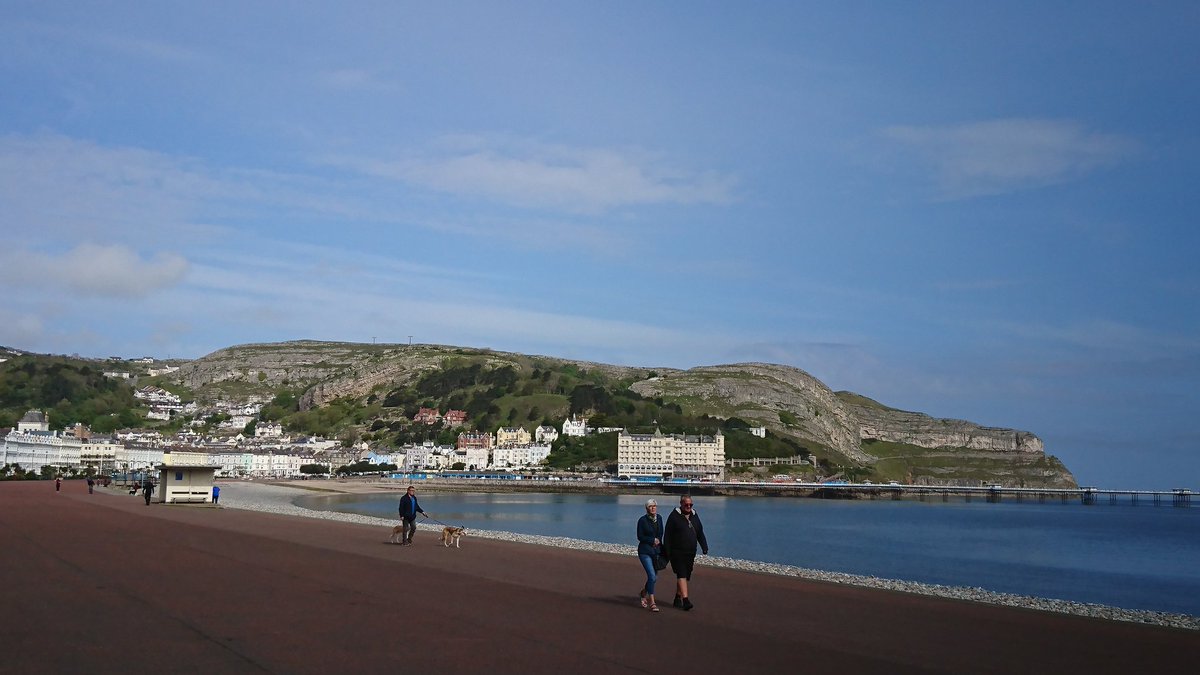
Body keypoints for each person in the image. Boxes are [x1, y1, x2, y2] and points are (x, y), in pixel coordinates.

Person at [662, 494, 708, 611]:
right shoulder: (674, 517)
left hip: (691, 552)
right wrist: (667, 551)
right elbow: (667, 535)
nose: (688, 506)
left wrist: (704, 546)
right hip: (677, 552)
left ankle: (678, 597)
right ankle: (686, 600)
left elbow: (700, 532)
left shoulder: (695, 516)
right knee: (681, 573)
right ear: (681, 504)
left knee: (685, 576)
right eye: (686, 504)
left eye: (690, 505)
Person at [636, 498, 665, 612]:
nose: (653, 508)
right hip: (645, 551)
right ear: (647, 508)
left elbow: (661, 533)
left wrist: (658, 542)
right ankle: (652, 601)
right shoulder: (642, 520)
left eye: (654, 506)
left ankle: (643, 593)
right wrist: (651, 540)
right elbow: (640, 536)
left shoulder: (660, 519)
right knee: (652, 576)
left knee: (654, 578)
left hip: (656, 552)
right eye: (650, 506)